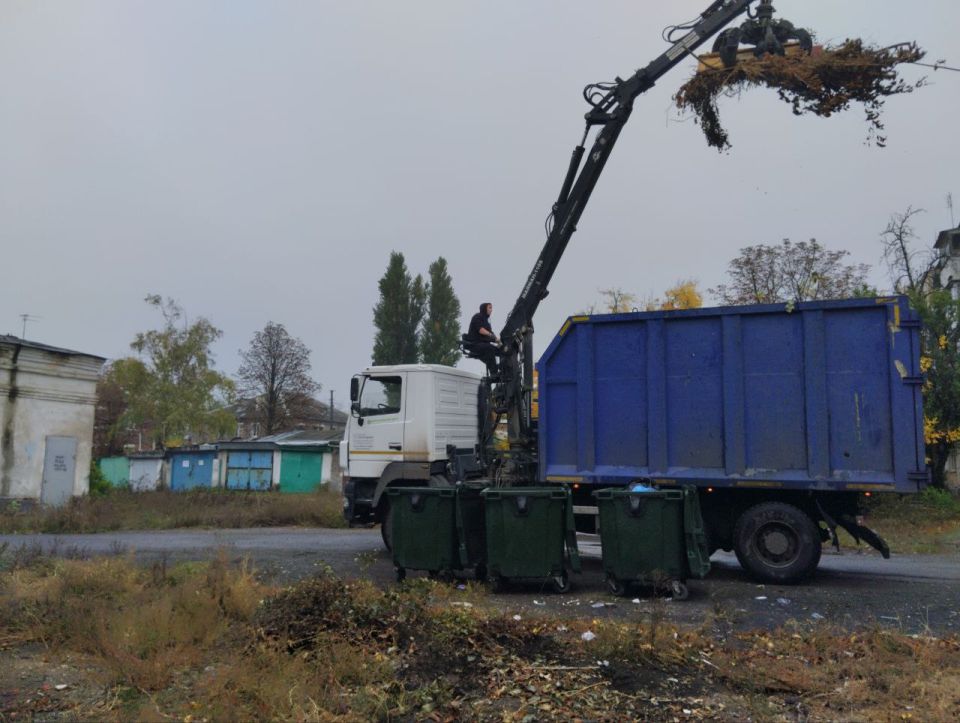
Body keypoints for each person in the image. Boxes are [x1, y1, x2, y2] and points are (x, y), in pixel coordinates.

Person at [465, 302, 501, 377]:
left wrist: (498, 341)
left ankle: (500, 367)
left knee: (500, 351)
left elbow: (490, 334)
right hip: (474, 344)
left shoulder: (486, 321)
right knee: (490, 348)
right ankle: (494, 373)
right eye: (489, 308)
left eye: (492, 308)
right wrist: (492, 336)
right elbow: (481, 330)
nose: (491, 310)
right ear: (484, 308)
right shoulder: (477, 317)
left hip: (483, 345)